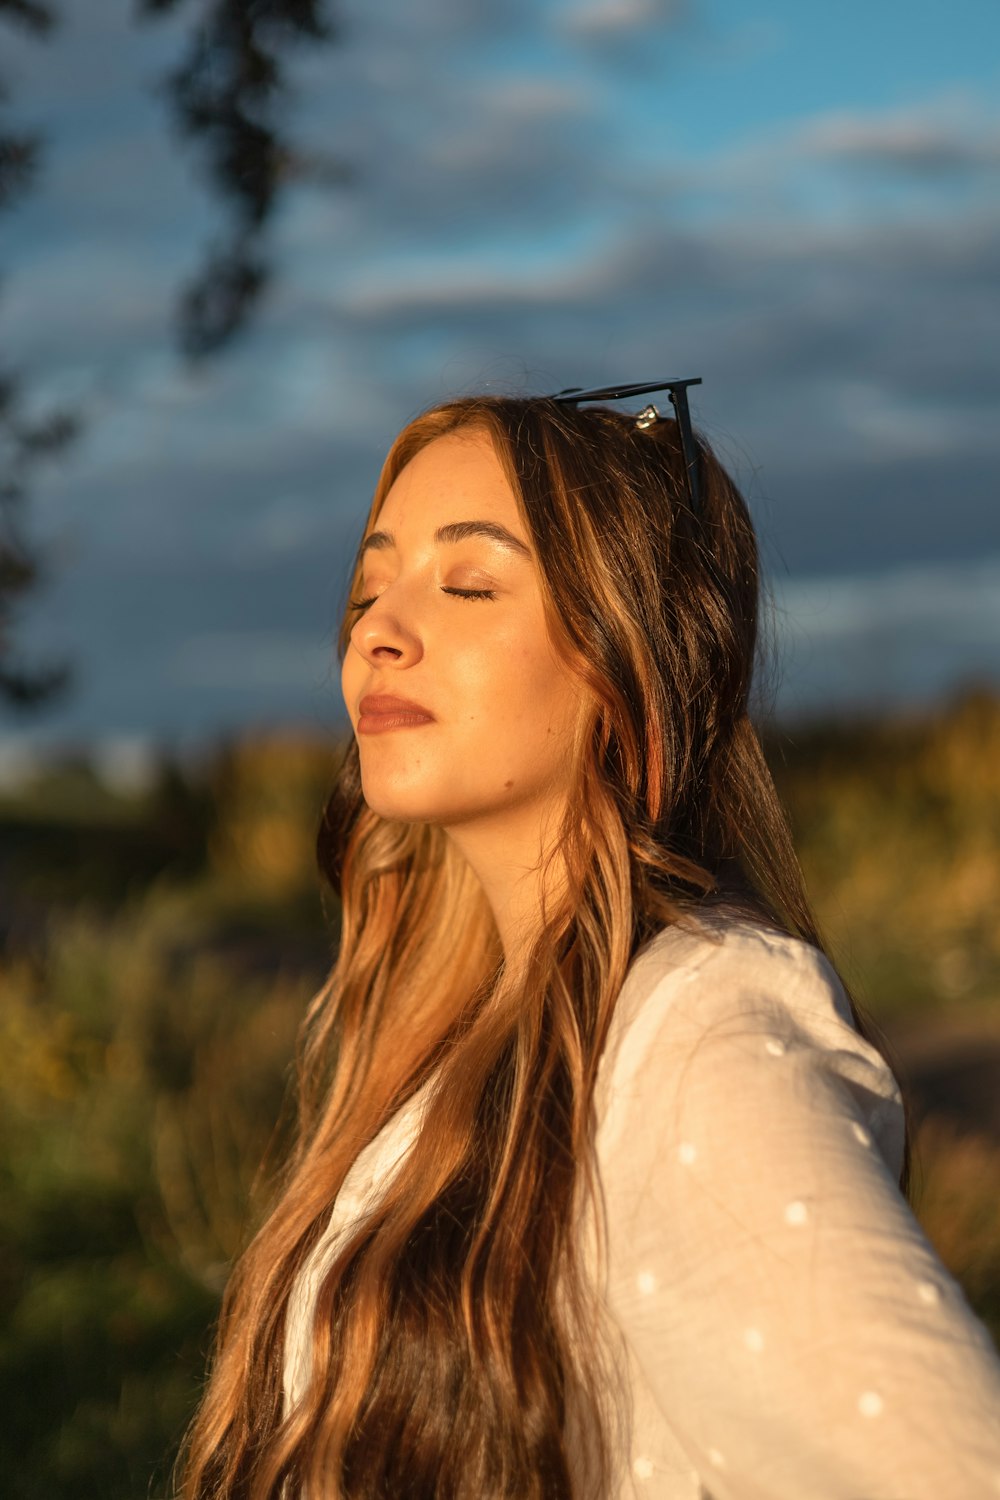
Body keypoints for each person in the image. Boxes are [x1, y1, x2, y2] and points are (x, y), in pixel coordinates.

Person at [179, 388, 1000, 1499]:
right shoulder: (456, 1023)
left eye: (467, 584)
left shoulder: (696, 1031)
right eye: (371, 586)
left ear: (627, 660)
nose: (375, 628)